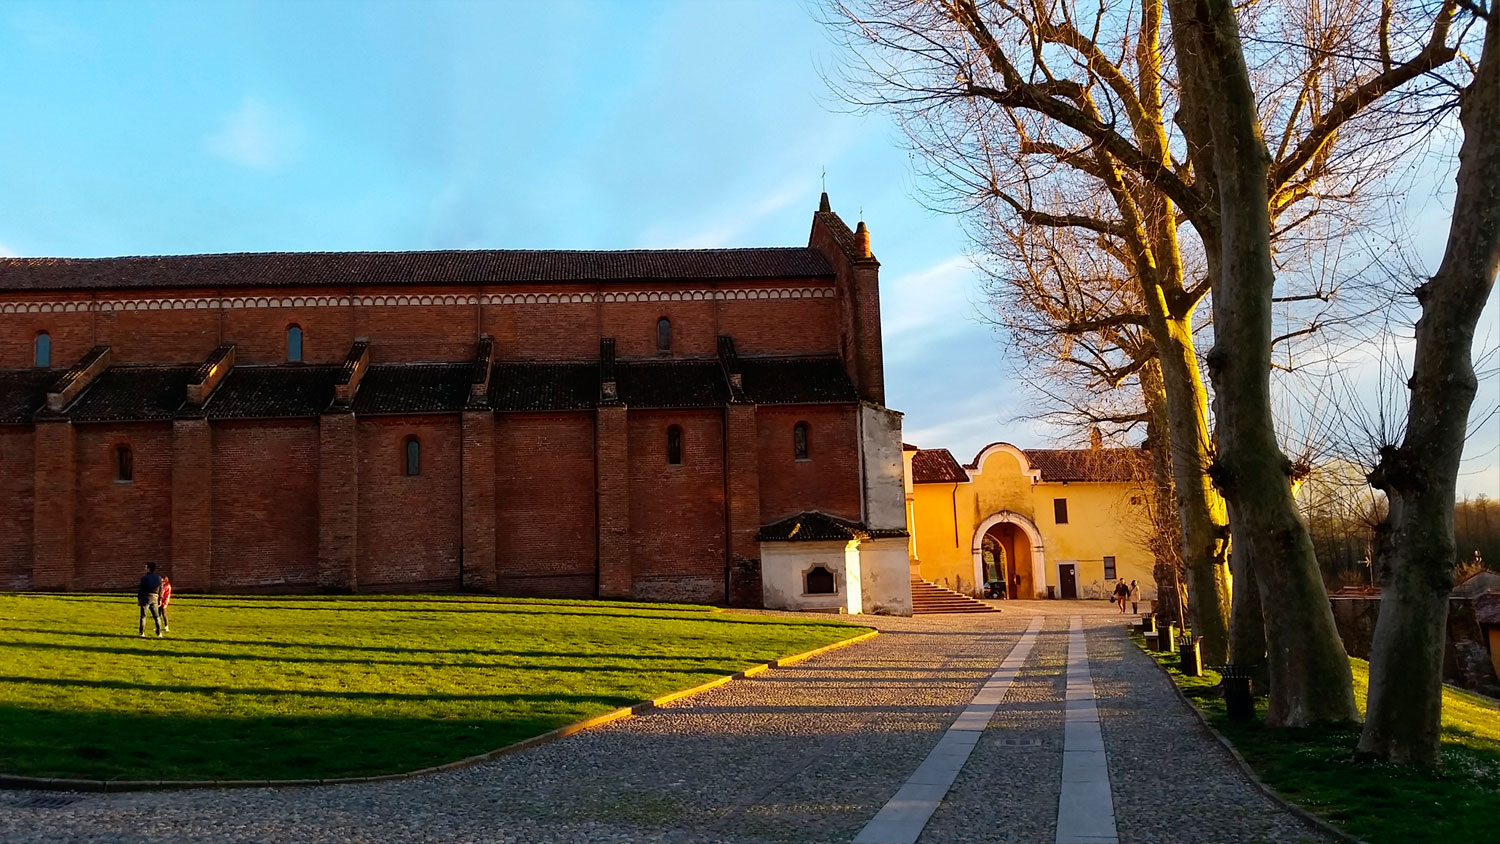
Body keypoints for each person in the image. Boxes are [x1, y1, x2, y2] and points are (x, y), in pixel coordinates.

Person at [137, 562, 164, 638]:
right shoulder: (158, 578)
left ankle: (141, 632)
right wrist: (160, 598)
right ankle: (159, 632)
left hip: (146, 597)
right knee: (157, 616)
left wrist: (139, 598)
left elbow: (141, 589)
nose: (145, 569)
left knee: (143, 616)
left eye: (146, 567)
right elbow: (161, 589)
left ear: (148, 568)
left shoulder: (144, 578)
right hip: (155, 597)